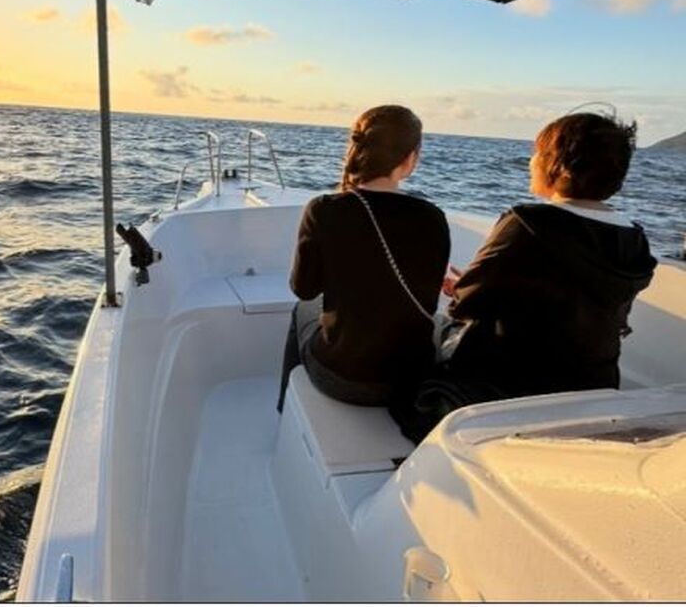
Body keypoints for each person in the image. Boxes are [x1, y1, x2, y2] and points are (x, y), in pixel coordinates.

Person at [435, 112, 657, 404]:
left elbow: (468, 302)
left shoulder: (527, 224)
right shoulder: (634, 239)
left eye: (537, 153)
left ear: (559, 166)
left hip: (511, 386)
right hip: (595, 386)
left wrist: (459, 289)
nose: (531, 162)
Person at [277, 104, 450, 413]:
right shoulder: (433, 217)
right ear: (410, 159)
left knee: (301, 310)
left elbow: (304, 290)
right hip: (411, 380)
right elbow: (428, 302)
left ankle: (284, 409)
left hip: (342, 378)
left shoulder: (323, 209)